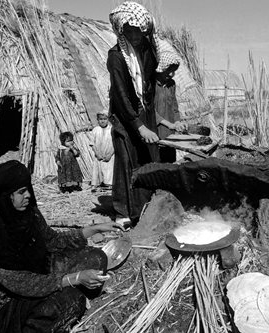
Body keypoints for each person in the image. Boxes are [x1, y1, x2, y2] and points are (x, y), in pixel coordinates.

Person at [0, 160, 123, 333]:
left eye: (28, 189)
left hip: (42, 270)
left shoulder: (27, 212)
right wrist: (73, 278)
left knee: (96, 257)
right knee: (68, 302)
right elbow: (23, 283)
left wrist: (93, 229)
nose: (28, 195)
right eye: (21, 192)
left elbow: (52, 240)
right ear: (4, 195)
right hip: (12, 301)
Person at [107, 2, 161, 228]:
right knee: (126, 161)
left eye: (140, 31)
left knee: (147, 159)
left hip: (142, 112)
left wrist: (149, 118)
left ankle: (145, 207)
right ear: (122, 31)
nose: (137, 36)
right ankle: (123, 212)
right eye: (132, 31)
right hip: (124, 116)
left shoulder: (145, 50)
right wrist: (139, 126)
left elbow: (148, 81)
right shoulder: (116, 57)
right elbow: (120, 96)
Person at [154, 51, 188, 163]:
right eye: (169, 70)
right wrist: (170, 124)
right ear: (162, 67)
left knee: (169, 164)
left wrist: (177, 122)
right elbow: (149, 111)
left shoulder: (171, 84)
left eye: (173, 71)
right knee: (157, 166)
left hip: (170, 134)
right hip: (155, 132)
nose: (171, 74)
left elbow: (174, 107)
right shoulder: (151, 84)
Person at [90, 110, 115, 191]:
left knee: (109, 169)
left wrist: (110, 154)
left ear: (108, 119)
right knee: (98, 169)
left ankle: (109, 184)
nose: (103, 121)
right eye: (101, 119)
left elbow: (115, 144)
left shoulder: (111, 130)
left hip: (109, 154)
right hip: (98, 154)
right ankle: (97, 184)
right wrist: (97, 153)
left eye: (105, 119)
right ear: (98, 120)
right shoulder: (95, 130)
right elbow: (92, 143)